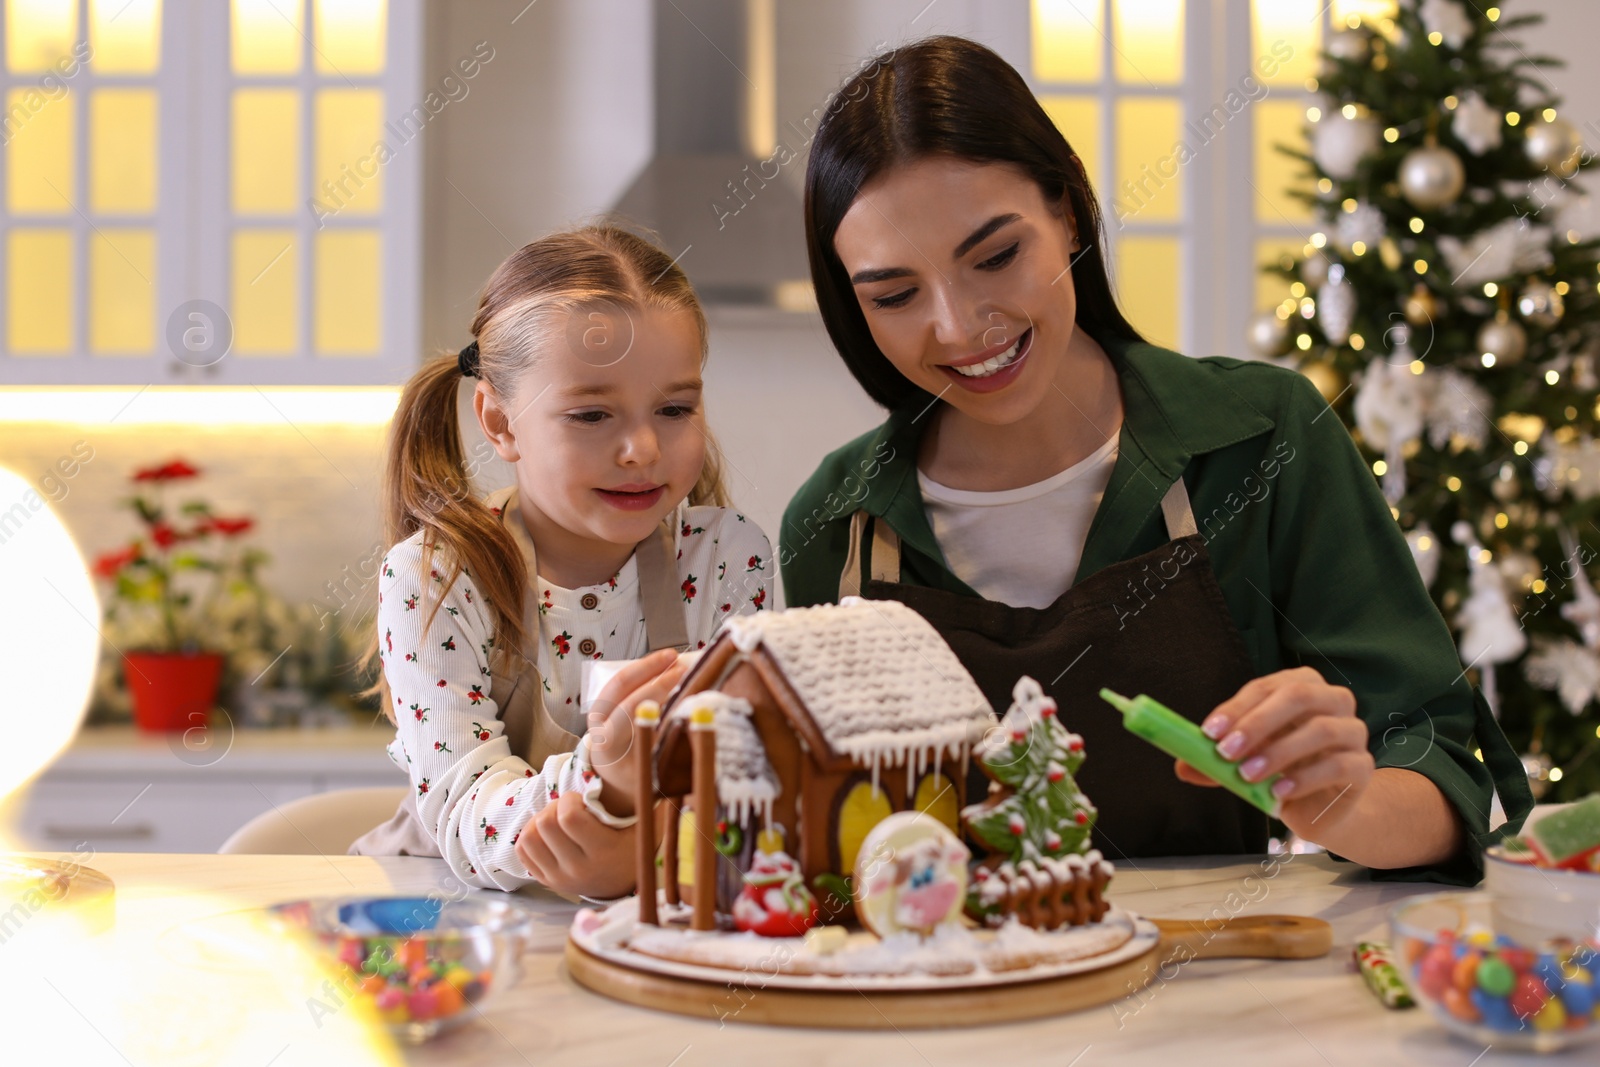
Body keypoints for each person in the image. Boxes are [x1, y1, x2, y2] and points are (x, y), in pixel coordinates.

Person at [782, 36, 1531, 883]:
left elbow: (1441, 770)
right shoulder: (833, 527)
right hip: (946, 1007)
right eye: (895, 294)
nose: (959, 326)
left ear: (1066, 212)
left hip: (1220, 999)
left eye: (995, 256)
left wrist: (1344, 803)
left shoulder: (1264, 438)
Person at [351, 225, 773, 896]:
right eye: (591, 415)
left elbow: (744, 781)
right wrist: (603, 782)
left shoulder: (725, 554)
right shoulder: (436, 575)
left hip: (646, 916)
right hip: (453, 919)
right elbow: (468, 810)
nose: (640, 448)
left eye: (673, 408)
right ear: (499, 422)